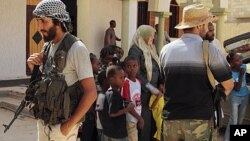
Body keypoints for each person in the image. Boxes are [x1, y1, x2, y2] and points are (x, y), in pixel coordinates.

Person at [159, 4, 234, 141]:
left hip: (171, 120)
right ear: (199, 26)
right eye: (207, 23)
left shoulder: (166, 50)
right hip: (199, 121)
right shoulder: (209, 49)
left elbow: (164, 85)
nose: (208, 27)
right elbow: (228, 85)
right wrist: (216, 95)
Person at [27, 0, 97, 140]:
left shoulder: (77, 48)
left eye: (44, 21)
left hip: (62, 126)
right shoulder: (48, 46)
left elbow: (91, 93)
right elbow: (45, 83)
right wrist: (32, 67)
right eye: (38, 21)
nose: (40, 26)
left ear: (58, 22)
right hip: (44, 120)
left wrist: (67, 126)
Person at [128, 25, 163, 141]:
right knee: (145, 124)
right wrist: (150, 88)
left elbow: (157, 67)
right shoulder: (135, 49)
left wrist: (161, 84)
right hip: (143, 93)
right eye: (151, 36)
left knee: (154, 125)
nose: (153, 38)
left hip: (154, 94)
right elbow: (135, 73)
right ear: (144, 35)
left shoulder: (151, 49)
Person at [102, 65, 134, 141]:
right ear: (111, 80)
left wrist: (124, 104)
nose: (123, 80)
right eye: (121, 78)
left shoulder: (110, 92)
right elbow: (112, 113)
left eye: (124, 77)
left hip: (110, 133)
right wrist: (127, 109)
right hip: (116, 135)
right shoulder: (114, 94)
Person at [224, 52, 249, 141]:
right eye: (237, 60)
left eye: (240, 59)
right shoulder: (229, 74)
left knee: (240, 121)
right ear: (232, 63)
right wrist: (241, 75)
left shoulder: (244, 67)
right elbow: (237, 88)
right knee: (233, 121)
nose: (241, 62)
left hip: (245, 96)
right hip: (235, 98)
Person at [122, 56, 144, 141]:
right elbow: (127, 104)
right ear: (124, 68)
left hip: (136, 118)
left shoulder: (138, 82)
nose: (132, 69)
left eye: (135, 66)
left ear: (138, 67)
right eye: (129, 66)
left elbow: (137, 99)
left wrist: (139, 118)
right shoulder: (126, 83)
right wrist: (140, 118)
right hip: (130, 118)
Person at [81, 53, 100, 141]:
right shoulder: (85, 81)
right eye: (97, 64)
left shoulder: (94, 78)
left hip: (92, 115)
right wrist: (93, 113)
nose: (99, 66)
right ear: (89, 65)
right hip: (87, 115)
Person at [96, 70, 110, 141]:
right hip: (102, 128)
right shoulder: (101, 96)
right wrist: (105, 127)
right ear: (105, 81)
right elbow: (100, 112)